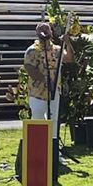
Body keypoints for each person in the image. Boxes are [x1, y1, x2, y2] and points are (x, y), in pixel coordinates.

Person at [23, 20, 74, 168]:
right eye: (41, 30)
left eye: (47, 29)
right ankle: (37, 151)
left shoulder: (57, 49)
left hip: (54, 92)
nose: (45, 32)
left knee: (53, 121)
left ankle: (53, 152)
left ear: (51, 32)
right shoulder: (32, 50)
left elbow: (70, 58)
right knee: (38, 120)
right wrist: (44, 80)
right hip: (38, 92)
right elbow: (29, 68)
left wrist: (68, 43)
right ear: (37, 34)